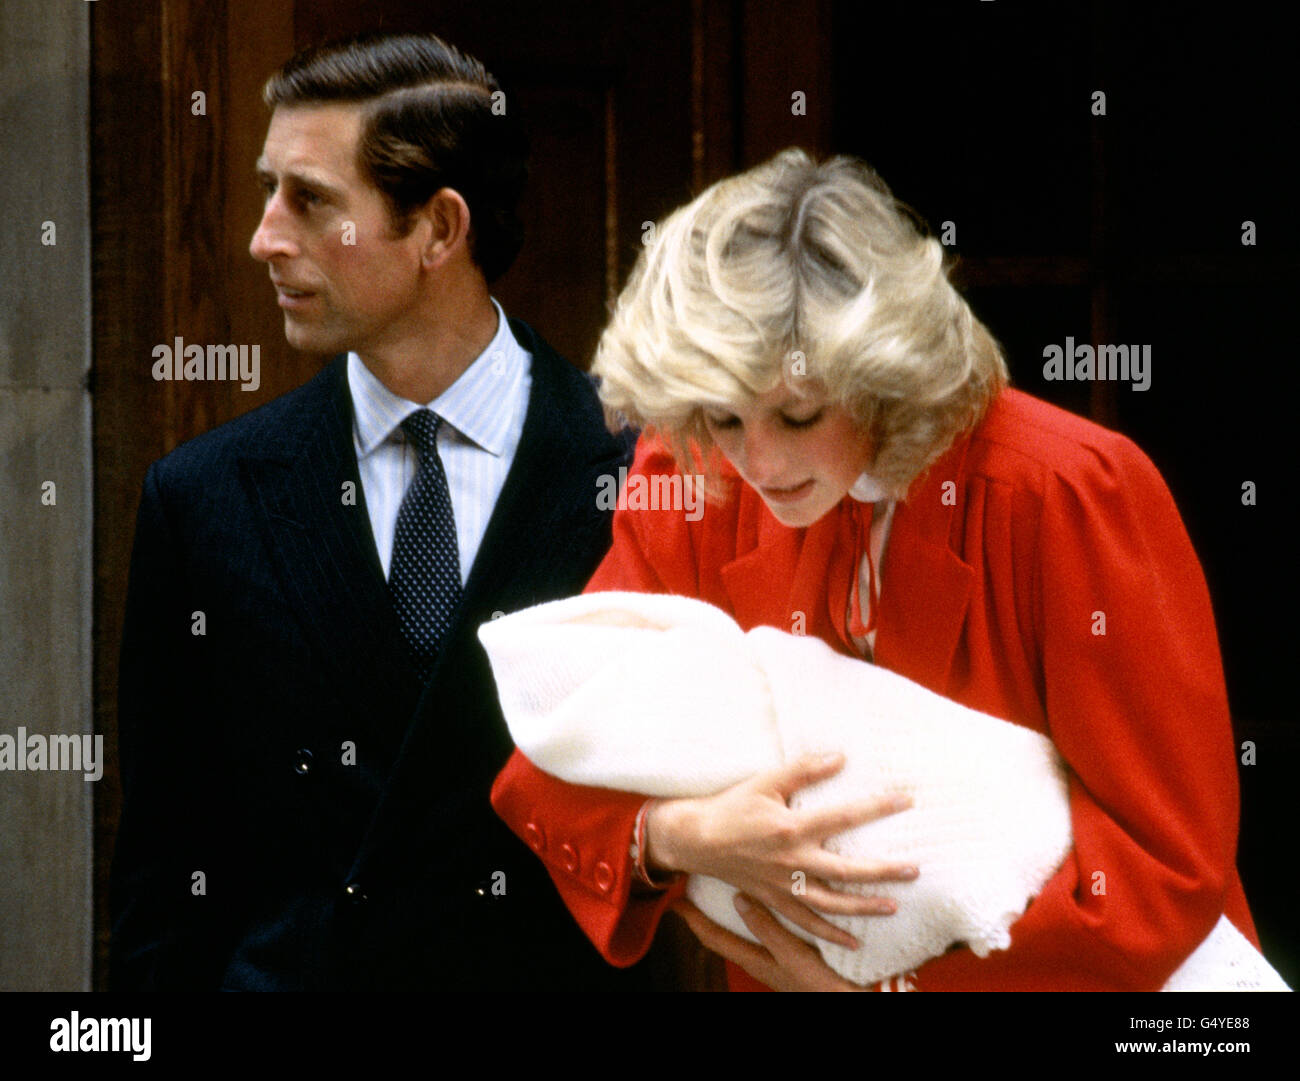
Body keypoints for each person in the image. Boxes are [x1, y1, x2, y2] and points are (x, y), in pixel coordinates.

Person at [491, 148, 1260, 990]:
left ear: (882, 370)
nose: (759, 462)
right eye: (723, 414)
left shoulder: (1069, 489)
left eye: (797, 413)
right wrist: (678, 836)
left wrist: (893, 993)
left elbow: (1162, 863)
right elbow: (558, 743)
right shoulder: (691, 475)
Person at [108, 31, 644, 990]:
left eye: (310, 200)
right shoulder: (204, 496)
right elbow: (164, 882)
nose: (263, 237)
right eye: (270, 191)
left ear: (440, 229)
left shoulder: (638, 477)